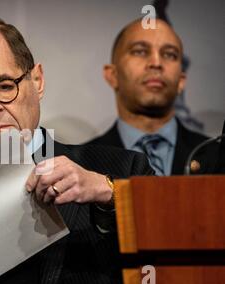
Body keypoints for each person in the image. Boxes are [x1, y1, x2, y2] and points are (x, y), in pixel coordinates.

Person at [0, 16, 153, 284]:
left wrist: (108, 191)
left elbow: (178, 246)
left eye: (4, 86)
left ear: (37, 81)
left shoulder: (120, 169)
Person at [87, 18, 218, 175]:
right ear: (112, 75)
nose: (156, 63)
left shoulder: (217, 156)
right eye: (140, 51)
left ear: (181, 81)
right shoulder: (83, 164)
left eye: (169, 55)